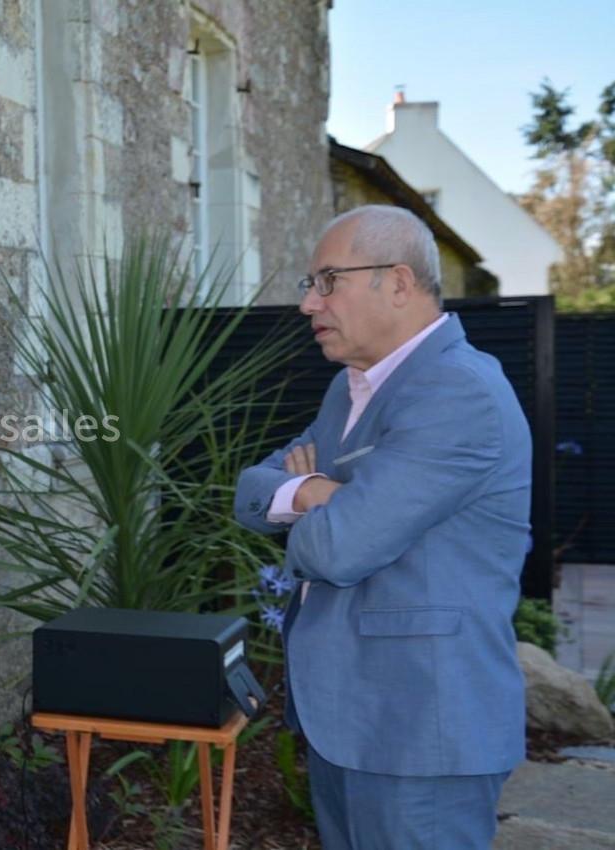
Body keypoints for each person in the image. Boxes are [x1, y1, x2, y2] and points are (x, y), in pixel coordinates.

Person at [233, 206, 531, 849]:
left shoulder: (460, 393)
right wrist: (317, 492)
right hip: (349, 721)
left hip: (420, 734)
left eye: (328, 280)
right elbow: (249, 492)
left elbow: (338, 549)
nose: (309, 303)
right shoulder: (349, 389)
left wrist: (321, 508)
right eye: (310, 284)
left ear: (398, 282)